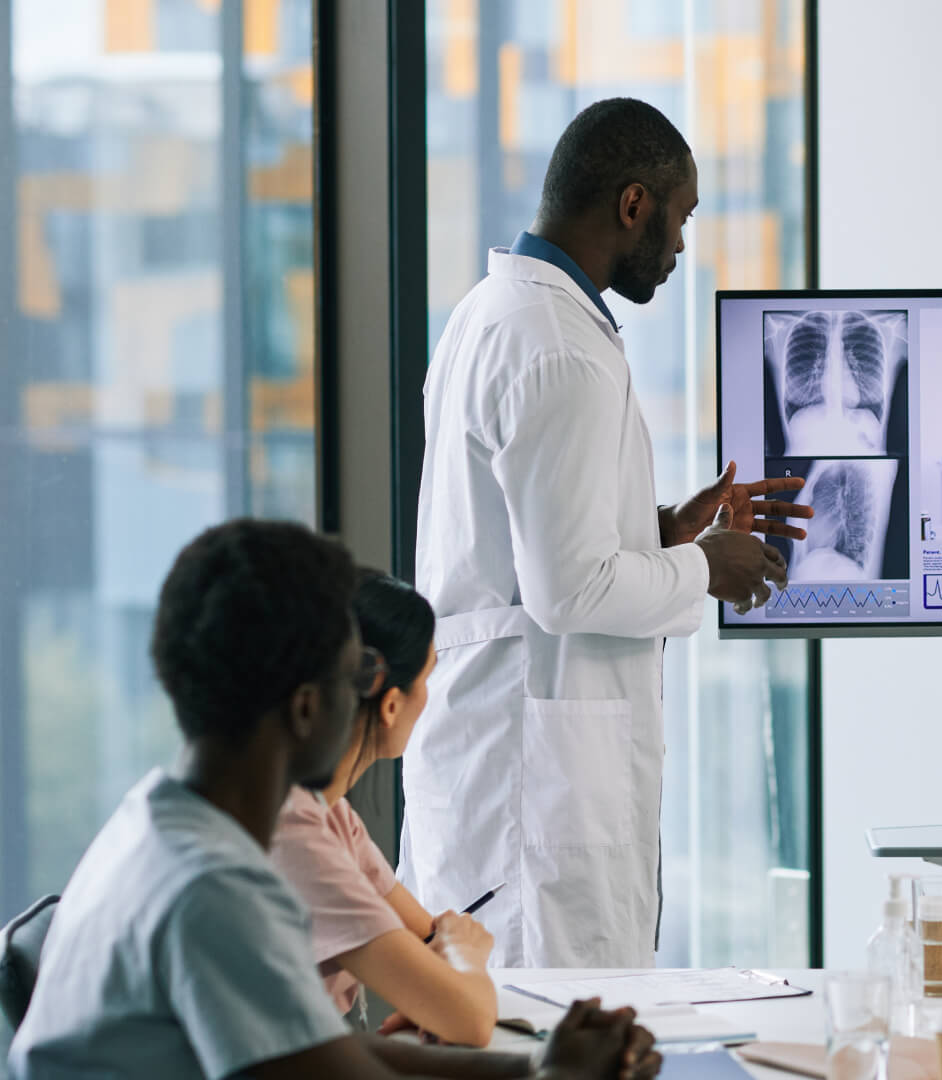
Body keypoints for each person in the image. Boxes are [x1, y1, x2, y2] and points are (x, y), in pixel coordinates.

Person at [9, 519, 661, 1080]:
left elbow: (330, 1052)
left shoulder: (161, 827)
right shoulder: (215, 888)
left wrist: (530, 1068)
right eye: (356, 676)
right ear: (307, 707)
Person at [404, 96, 810, 968]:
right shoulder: (562, 348)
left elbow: (518, 550)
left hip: (499, 763)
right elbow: (568, 590)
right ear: (634, 204)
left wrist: (660, 531)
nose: (679, 248)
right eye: (680, 219)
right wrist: (705, 568)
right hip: (535, 797)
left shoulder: (491, 313)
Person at [269, 569, 503, 1045]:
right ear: (392, 704)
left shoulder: (328, 815)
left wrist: (445, 971)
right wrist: (465, 959)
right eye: (427, 677)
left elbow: (426, 937)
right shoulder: (292, 833)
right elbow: (471, 1018)